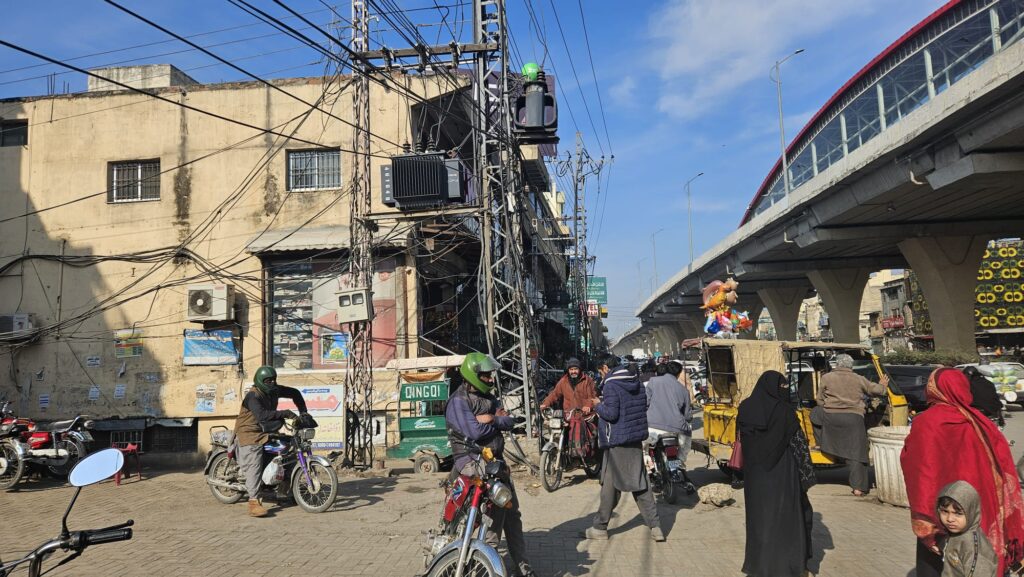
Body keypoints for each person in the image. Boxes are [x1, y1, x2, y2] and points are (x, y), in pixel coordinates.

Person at [901, 368, 1024, 577]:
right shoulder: (980, 421)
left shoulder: (927, 422)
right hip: (978, 504)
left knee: (934, 563)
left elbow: (920, 470)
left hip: (943, 508)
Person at [444, 352, 536, 577]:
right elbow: (473, 432)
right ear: (474, 375)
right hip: (472, 462)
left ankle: (522, 566)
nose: (490, 379)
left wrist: (492, 419)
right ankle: (487, 564)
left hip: (495, 463)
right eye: (486, 375)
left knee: (513, 515)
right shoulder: (459, 401)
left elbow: (509, 420)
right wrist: (494, 421)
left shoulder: (489, 398)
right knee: (494, 516)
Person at [739, 370, 814, 577]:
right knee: (787, 518)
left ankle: (760, 565)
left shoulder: (746, 408)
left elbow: (744, 441)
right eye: (781, 386)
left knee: (760, 520)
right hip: (783, 472)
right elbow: (799, 444)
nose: (783, 390)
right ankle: (788, 566)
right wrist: (806, 476)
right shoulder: (785, 410)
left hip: (756, 476)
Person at [583, 353, 664, 542]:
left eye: (601, 372)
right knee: (616, 485)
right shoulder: (635, 382)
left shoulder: (611, 385)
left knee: (637, 485)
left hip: (617, 440)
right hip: (634, 438)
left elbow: (611, 414)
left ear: (605, 368)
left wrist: (598, 405)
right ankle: (602, 527)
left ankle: (651, 525)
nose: (601, 376)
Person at [232, 365, 310, 518]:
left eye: (273, 380)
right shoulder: (253, 396)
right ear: (259, 381)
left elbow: (295, 393)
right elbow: (261, 415)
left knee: (289, 448)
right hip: (250, 432)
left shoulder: (275, 390)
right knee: (255, 460)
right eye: (267, 381)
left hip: (266, 430)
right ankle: (253, 501)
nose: (271, 383)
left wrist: (303, 412)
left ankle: (283, 492)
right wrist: (286, 413)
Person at [815, 353, 890, 496]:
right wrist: (882, 385)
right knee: (857, 453)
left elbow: (819, 399)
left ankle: (822, 443)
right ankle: (858, 488)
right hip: (854, 419)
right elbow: (877, 391)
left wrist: (828, 406)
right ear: (851, 366)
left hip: (831, 417)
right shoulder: (858, 379)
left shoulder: (826, 377)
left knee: (814, 414)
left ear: (836, 364)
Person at [936, 481, 998, 577]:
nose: (949, 519)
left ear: (971, 512)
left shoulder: (973, 547)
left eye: (958, 513)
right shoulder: (955, 533)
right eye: (945, 511)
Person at [645, 360, 694, 468]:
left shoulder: (653, 381)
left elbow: (645, 403)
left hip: (652, 427)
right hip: (677, 429)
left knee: (644, 448)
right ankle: (680, 461)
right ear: (679, 373)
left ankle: (648, 465)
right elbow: (687, 416)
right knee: (688, 433)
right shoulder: (684, 390)